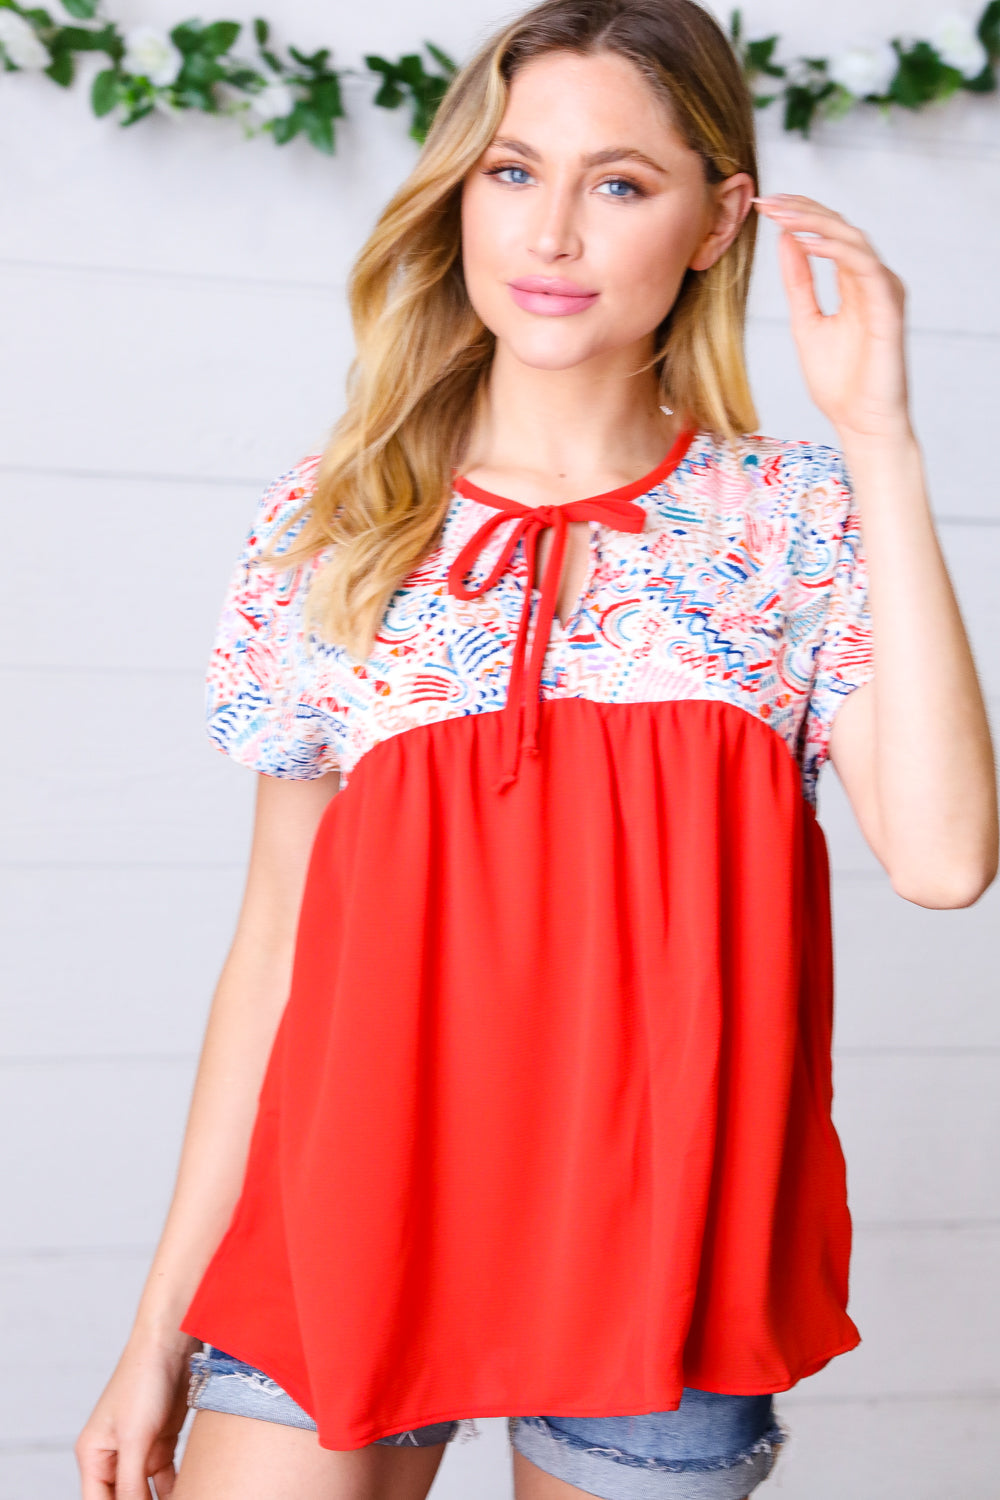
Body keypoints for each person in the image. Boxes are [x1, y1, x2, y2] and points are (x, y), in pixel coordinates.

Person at [74, 0, 998, 1496]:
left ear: (717, 224)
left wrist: (881, 436)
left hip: (666, 1271)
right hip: (345, 1234)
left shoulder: (794, 519)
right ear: (462, 192)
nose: (552, 232)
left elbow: (948, 861)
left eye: (620, 183)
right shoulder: (339, 523)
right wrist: (155, 1327)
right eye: (513, 172)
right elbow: (276, 951)